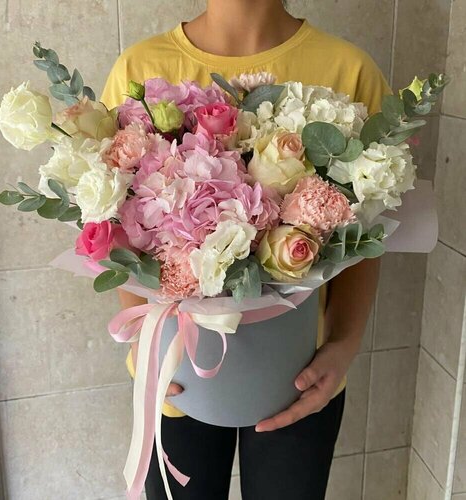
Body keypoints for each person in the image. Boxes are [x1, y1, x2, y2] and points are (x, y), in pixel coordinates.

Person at [100, 1, 390, 498]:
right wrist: (142, 345)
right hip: (175, 372)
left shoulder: (349, 72)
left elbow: (367, 236)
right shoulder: (140, 70)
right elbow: (112, 225)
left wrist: (343, 345)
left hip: (300, 373)